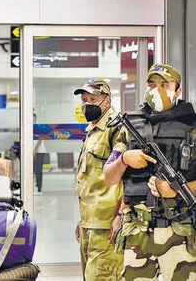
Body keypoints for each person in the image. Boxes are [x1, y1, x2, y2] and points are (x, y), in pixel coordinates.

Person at [104, 64, 196, 281]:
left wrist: (174, 191)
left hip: (179, 231)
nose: (157, 90)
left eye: (165, 85)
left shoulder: (191, 126)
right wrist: (124, 160)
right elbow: (109, 177)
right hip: (137, 231)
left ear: (178, 90)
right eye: (152, 84)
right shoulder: (130, 125)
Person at [73, 79, 125, 280]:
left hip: (108, 225)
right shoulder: (92, 130)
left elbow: (126, 177)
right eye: (84, 100)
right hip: (90, 223)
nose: (86, 104)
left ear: (107, 101)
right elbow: (90, 180)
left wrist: (120, 216)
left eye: (92, 99)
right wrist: (83, 220)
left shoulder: (117, 129)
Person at [33, 112, 46, 195]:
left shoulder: (39, 127)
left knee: (38, 171)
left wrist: (34, 150)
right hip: (31, 152)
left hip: (39, 151)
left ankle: (39, 188)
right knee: (32, 170)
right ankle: (35, 187)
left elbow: (40, 139)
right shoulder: (29, 127)